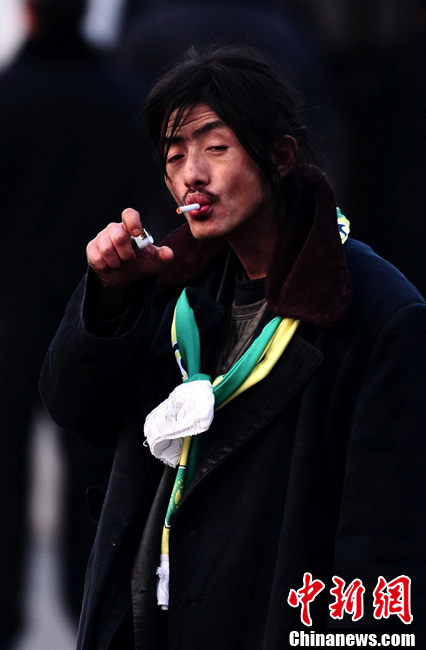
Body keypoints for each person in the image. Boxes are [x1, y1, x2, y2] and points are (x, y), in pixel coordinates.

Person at [40, 44, 426, 649]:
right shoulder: (172, 289)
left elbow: (381, 542)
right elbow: (78, 409)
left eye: (215, 147)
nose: (192, 174)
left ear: (280, 157)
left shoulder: (377, 312)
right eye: (175, 156)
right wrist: (110, 298)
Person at [0, 0, 148, 638]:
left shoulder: (8, 98)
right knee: (94, 468)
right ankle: (89, 607)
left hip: (10, 316)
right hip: (97, 314)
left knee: (3, 467)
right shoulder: (123, 99)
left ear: (28, 14)